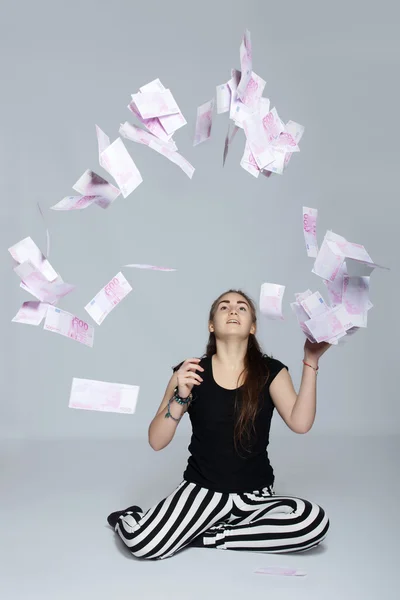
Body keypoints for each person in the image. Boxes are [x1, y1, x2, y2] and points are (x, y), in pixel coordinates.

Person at [107, 289, 331, 560]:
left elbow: (301, 423)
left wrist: (312, 360)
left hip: (256, 496)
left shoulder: (272, 371)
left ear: (253, 327)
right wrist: (181, 396)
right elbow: (156, 441)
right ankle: (130, 517)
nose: (233, 310)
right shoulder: (190, 371)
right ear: (212, 325)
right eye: (224, 307)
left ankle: (210, 536)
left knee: (312, 521)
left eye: (242, 307)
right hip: (202, 491)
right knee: (143, 543)